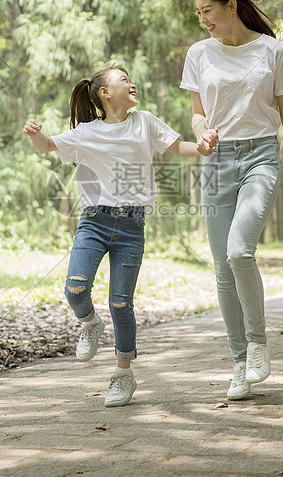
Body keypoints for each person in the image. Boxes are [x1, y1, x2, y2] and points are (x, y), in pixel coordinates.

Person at [24, 66, 206, 407]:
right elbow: (47, 145)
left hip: (132, 226)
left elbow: (178, 147)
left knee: (121, 303)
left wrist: (202, 147)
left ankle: (123, 375)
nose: (132, 83)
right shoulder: (86, 132)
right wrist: (35, 133)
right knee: (75, 289)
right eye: (124, 79)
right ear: (105, 93)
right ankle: (90, 324)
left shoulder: (145, 121)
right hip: (94, 221)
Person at [180, 0, 283, 401]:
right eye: (198, 13)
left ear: (231, 5)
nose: (204, 20)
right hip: (216, 160)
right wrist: (201, 132)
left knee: (240, 251)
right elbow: (198, 113)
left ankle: (258, 344)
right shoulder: (199, 53)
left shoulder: (272, 51)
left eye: (208, 11)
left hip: (259, 155)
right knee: (221, 268)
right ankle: (238, 363)